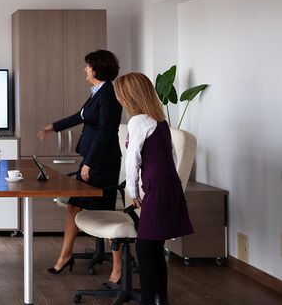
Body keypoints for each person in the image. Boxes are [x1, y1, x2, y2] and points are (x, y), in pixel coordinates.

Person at [37, 49, 123, 285]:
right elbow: (81, 116)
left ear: (97, 68)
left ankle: (117, 268)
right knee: (73, 206)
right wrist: (52, 127)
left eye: (87, 66)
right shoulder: (98, 92)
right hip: (92, 159)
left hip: (103, 163)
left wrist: (90, 163)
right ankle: (65, 256)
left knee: (107, 214)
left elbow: (105, 133)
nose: (84, 70)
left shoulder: (109, 95)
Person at [113, 72, 193, 305]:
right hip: (170, 186)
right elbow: (172, 154)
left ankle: (149, 300)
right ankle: (160, 299)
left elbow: (132, 159)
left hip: (157, 190)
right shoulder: (159, 121)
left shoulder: (138, 121)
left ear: (128, 96)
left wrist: (134, 192)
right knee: (155, 246)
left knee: (146, 247)